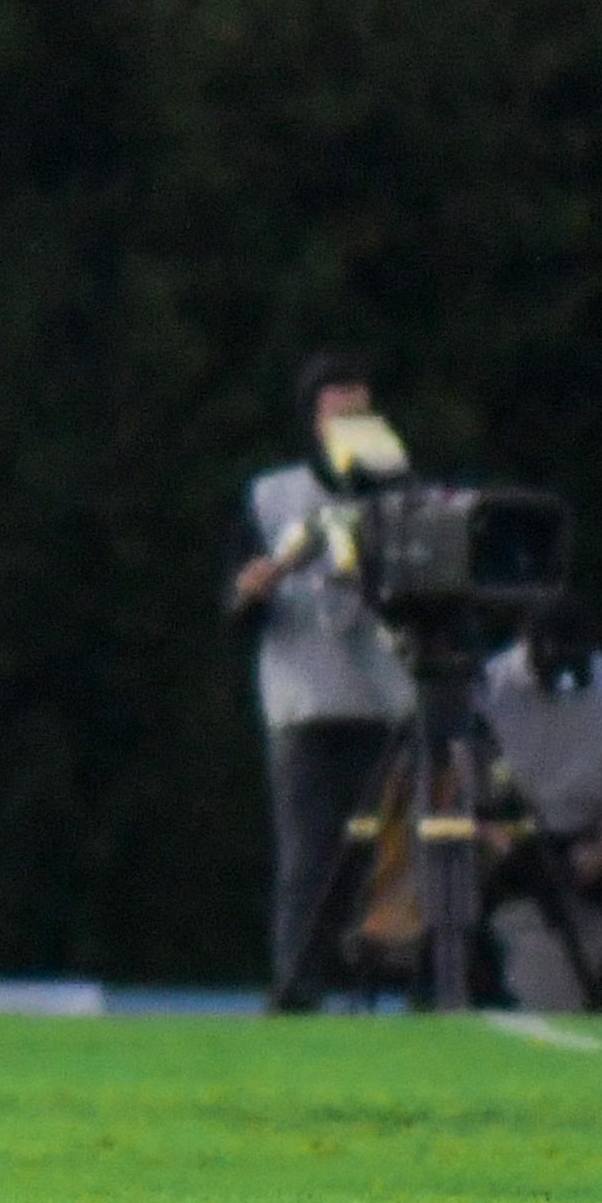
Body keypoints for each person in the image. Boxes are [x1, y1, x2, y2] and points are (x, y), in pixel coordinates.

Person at [228, 355, 416, 1011]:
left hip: (380, 698)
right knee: (310, 853)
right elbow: (241, 603)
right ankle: (299, 982)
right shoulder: (273, 496)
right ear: (313, 421)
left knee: (386, 857)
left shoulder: (396, 496)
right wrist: (256, 588)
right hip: (305, 698)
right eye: (338, 413)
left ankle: (384, 976)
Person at [476, 598, 602, 1014]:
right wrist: (496, 837)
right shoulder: (489, 686)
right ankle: (489, 996)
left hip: (585, 830)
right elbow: (461, 783)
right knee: (457, 894)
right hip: (509, 833)